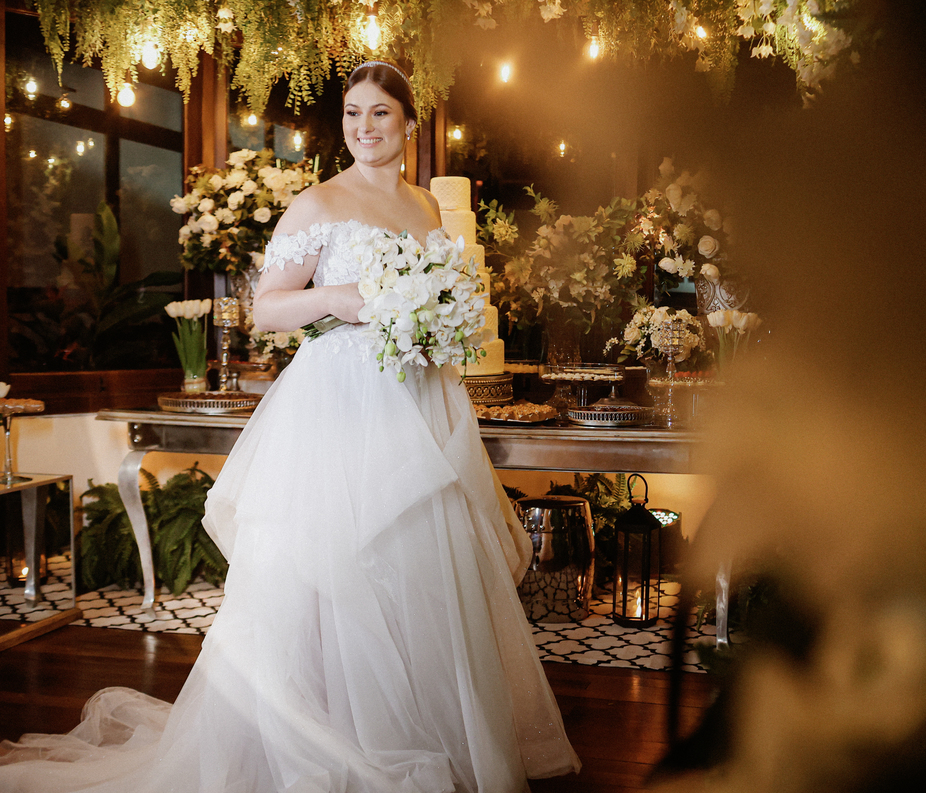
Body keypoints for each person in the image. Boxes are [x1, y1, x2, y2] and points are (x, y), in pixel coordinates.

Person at [0, 59, 581, 793]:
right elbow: (269, 307)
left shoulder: (427, 208)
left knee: (418, 564)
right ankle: (326, 735)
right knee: (332, 566)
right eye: (352, 113)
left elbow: (436, 299)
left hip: (419, 397)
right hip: (340, 403)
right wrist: (339, 297)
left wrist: (435, 327)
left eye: (380, 113)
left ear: (408, 123)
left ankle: (422, 729)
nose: (364, 127)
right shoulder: (318, 203)